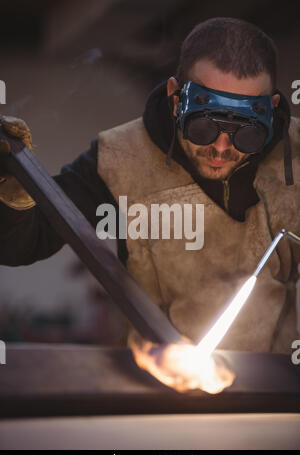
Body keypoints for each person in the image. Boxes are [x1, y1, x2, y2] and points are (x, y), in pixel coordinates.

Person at [0, 17, 299, 353]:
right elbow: (24, 244)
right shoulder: (119, 158)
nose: (221, 147)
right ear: (176, 98)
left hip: (276, 386)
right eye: (203, 128)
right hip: (160, 383)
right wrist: (14, 196)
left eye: (246, 133)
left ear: (270, 110)